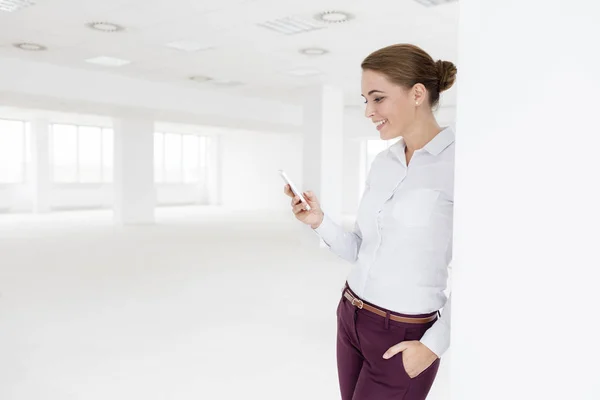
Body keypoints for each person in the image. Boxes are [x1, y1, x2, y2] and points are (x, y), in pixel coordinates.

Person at [283, 43, 457, 400]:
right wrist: (319, 221)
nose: (368, 111)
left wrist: (434, 346)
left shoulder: (460, 164)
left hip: (403, 336)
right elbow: (362, 248)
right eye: (365, 100)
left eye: (377, 99)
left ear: (417, 94)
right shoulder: (385, 162)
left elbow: (486, 271)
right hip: (351, 316)